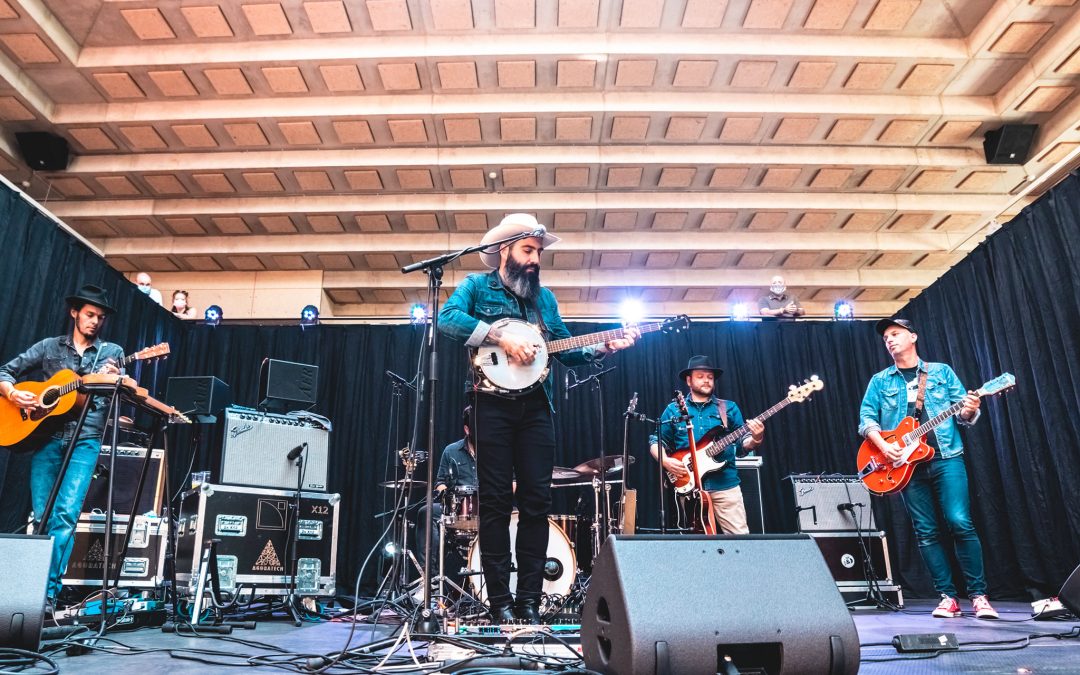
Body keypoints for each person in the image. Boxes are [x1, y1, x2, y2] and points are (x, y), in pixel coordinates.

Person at [439, 213, 638, 623]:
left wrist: (604, 347)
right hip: (489, 406)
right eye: (528, 250)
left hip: (536, 409)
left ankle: (528, 600)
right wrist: (500, 336)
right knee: (494, 503)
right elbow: (447, 319)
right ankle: (500, 604)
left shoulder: (543, 300)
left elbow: (565, 347)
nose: (535, 259)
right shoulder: (477, 287)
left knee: (536, 502)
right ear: (504, 250)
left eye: (538, 253)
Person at [858, 318, 998, 619]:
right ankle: (947, 597)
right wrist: (884, 446)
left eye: (895, 334)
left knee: (960, 521)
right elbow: (866, 418)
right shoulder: (880, 381)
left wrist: (971, 408)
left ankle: (979, 596)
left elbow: (963, 412)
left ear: (913, 337)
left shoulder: (940, 372)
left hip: (946, 456)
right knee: (926, 532)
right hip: (903, 465)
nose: (890, 340)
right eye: (886, 338)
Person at [0, 284, 126, 609]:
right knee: (42, 515)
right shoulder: (49, 347)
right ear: (75, 312)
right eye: (89, 314)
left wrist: (116, 378)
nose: (95, 321)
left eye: (100, 317)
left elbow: (121, 393)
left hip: (85, 441)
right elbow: (6, 371)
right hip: (46, 439)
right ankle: (29, 592)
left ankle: (47, 596)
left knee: (66, 516)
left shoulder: (110, 353)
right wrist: (13, 394)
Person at [649, 355, 764, 534]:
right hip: (689, 488)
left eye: (710, 377)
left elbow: (742, 447)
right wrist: (665, 461)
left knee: (740, 539)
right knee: (697, 544)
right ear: (689, 380)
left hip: (725, 485)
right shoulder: (673, 409)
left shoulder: (729, 408)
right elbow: (656, 441)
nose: (706, 381)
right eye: (701, 376)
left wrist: (756, 438)